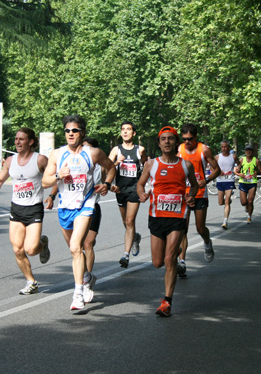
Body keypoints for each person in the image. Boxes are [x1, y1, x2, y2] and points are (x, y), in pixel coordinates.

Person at [42, 115, 116, 311]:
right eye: (67, 131)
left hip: (86, 204)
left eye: (74, 131)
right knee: (74, 250)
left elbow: (111, 168)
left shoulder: (93, 153)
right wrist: (59, 175)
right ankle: (87, 277)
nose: (70, 134)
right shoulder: (57, 155)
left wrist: (107, 184)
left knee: (77, 247)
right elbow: (45, 181)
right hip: (65, 206)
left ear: (82, 132)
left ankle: (78, 294)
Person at [137, 126, 198, 317]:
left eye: (170, 139)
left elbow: (194, 185)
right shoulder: (151, 164)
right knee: (157, 262)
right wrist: (142, 194)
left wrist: (191, 196)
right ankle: (176, 250)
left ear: (176, 142)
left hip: (177, 217)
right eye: (163, 139)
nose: (167, 142)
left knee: (169, 259)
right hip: (156, 217)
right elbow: (140, 184)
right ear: (159, 143)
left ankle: (167, 302)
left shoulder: (186, 165)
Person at [0, 128, 53, 295]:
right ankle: (31, 282)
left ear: (30, 142)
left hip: (34, 209)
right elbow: (1, 177)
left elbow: (53, 178)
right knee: (17, 249)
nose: (17, 142)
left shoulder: (40, 160)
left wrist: (52, 196)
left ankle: (42, 244)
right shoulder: (10, 161)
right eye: (16, 139)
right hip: (16, 209)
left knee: (31, 249)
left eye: (21, 139)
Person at [177, 123, 220, 276]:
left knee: (200, 228)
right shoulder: (179, 150)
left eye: (189, 139)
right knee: (183, 229)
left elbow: (217, 170)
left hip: (200, 192)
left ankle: (207, 243)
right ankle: (182, 262)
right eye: (184, 139)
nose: (187, 142)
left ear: (195, 137)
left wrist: (206, 180)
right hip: (184, 193)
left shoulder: (204, 150)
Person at [108, 121, 148, 269]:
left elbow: (146, 167)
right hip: (120, 190)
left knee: (130, 221)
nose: (125, 132)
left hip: (134, 189)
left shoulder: (140, 150)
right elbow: (107, 168)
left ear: (134, 133)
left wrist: (142, 185)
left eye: (128, 129)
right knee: (126, 223)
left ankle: (125, 255)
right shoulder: (116, 150)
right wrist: (116, 163)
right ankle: (135, 237)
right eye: (123, 130)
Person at [79, 137, 103, 303]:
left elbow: (111, 173)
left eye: (88, 148)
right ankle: (85, 276)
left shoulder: (100, 164)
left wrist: (109, 185)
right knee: (77, 246)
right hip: (76, 209)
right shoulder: (75, 162)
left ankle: (86, 282)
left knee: (88, 243)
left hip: (93, 206)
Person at [234, 144, 261, 224]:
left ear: (252, 152)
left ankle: (249, 217)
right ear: (245, 151)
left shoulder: (256, 160)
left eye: (250, 150)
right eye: (247, 150)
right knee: (243, 202)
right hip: (243, 182)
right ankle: (246, 207)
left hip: (252, 182)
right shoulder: (241, 160)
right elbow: (237, 171)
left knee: (250, 200)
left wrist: (257, 172)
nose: (248, 152)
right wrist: (240, 174)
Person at [215, 140, 239, 229]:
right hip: (220, 181)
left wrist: (237, 169)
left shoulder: (233, 156)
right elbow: (211, 166)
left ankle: (225, 221)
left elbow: (239, 165)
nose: (224, 148)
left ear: (229, 147)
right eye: (222, 147)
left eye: (225, 147)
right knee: (221, 202)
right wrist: (217, 171)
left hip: (229, 180)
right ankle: (227, 201)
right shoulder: (217, 157)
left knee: (227, 200)